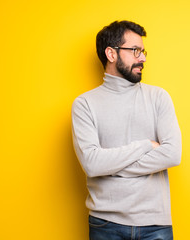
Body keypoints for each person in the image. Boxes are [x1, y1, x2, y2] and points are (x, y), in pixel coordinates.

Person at [71, 20, 182, 240]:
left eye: (143, 51)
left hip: (155, 224)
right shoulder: (84, 104)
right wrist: (145, 145)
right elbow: (92, 164)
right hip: (105, 224)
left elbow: (172, 154)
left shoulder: (158, 97)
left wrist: (109, 167)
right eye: (135, 51)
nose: (143, 58)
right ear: (111, 54)